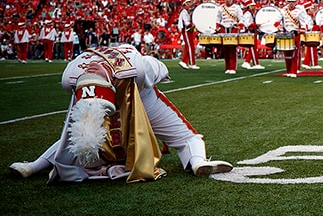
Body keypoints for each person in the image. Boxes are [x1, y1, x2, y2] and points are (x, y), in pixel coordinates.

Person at [9, 45, 233, 183]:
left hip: (140, 95)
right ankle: (196, 161)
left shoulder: (138, 66)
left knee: (78, 135)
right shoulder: (72, 76)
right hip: (103, 98)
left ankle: (34, 165)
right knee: (80, 135)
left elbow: (159, 69)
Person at [176, 0, 200, 69]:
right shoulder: (184, 12)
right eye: (188, 2)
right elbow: (186, 23)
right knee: (190, 47)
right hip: (186, 30)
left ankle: (184, 61)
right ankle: (192, 63)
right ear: (185, 4)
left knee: (189, 47)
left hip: (188, 30)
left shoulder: (186, 11)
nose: (190, 3)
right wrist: (192, 24)